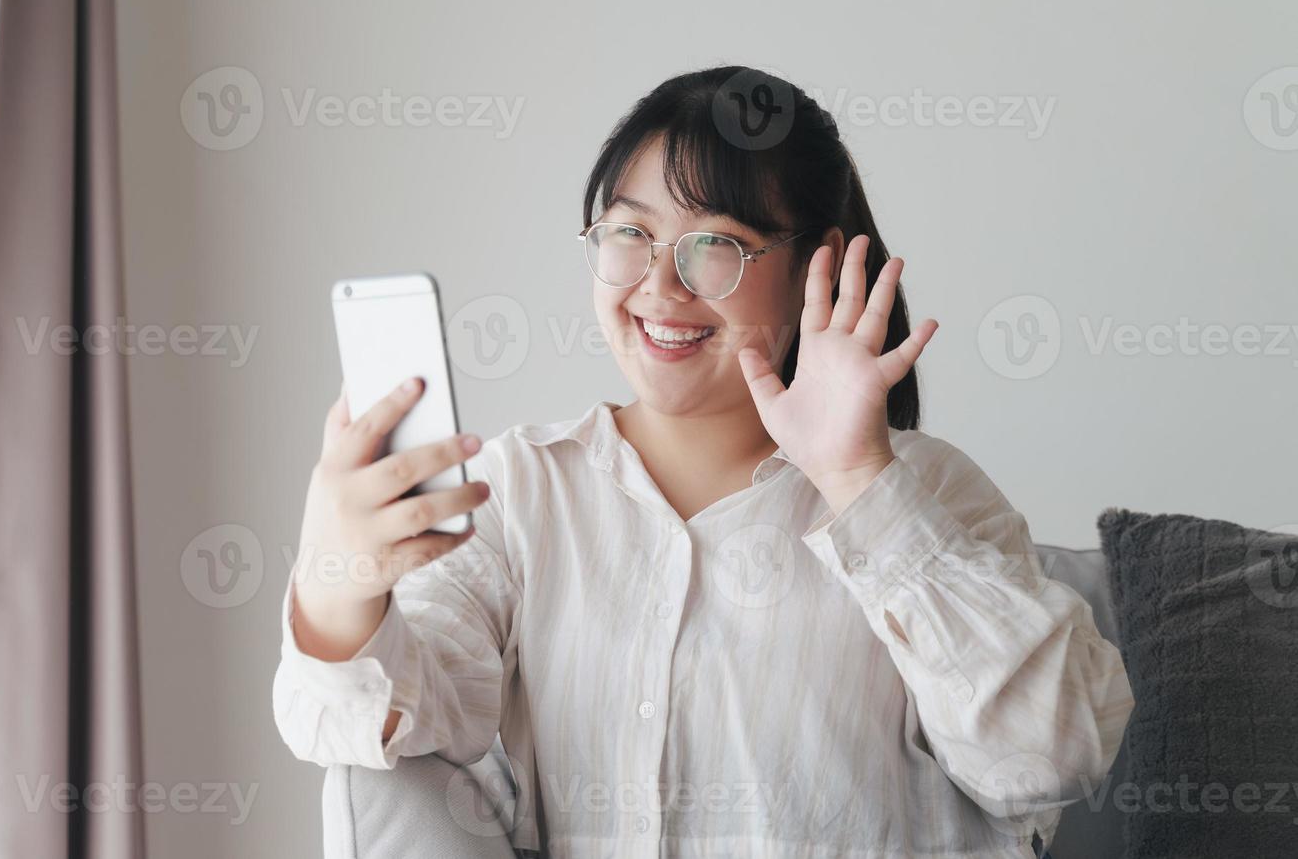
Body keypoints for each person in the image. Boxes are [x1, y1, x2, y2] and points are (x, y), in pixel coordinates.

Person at [272, 66, 1134, 858]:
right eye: (629, 235)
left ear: (815, 268)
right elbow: (390, 722)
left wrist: (857, 481)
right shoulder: (523, 491)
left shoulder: (928, 487)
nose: (659, 287)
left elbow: (1049, 758)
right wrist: (338, 581)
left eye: (713, 245)